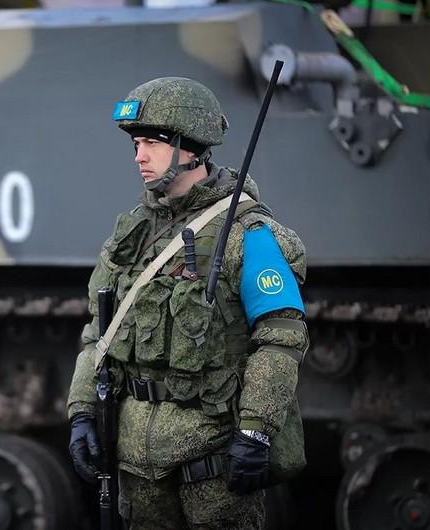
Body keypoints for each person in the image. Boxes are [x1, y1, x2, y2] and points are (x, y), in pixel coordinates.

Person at [66, 77, 309, 529]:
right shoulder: (134, 234)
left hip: (212, 461)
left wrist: (256, 429)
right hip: (136, 464)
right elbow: (98, 334)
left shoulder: (246, 232)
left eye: (152, 144)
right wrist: (82, 410)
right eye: (136, 144)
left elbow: (280, 338)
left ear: (191, 147)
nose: (139, 156)